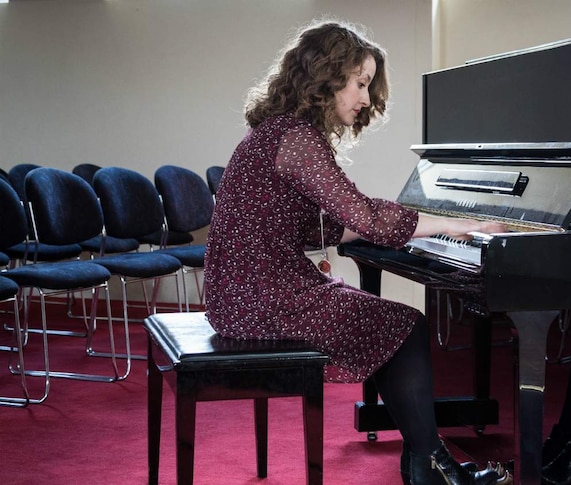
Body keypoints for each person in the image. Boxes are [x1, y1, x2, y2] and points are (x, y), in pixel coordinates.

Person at [203, 19, 511, 485]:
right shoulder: (298, 139)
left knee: (389, 327)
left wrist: (404, 228)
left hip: (240, 295)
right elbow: (367, 217)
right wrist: (454, 223)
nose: (366, 98)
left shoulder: (275, 132)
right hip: (263, 300)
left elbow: (314, 227)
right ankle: (431, 467)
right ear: (326, 76)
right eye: (360, 83)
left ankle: (427, 461)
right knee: (406, 327)